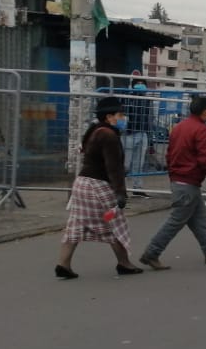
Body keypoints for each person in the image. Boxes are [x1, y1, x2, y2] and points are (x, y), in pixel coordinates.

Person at [139, 95, 206, 269]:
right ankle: (151, 253)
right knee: (175, 221)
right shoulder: (202, 130)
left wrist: (174, 174)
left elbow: (169, 153)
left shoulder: (179, 127)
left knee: (200, 220)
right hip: (188, 181)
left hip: (180, 179)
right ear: (205, 112)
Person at [55, 95, 144, 278]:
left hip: (82, 184)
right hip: (98, 185)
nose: (123, 118)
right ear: (109, 116)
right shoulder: (108, 135)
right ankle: (124, 263)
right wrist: (121, 193)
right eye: (120, 115)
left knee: (76, 224)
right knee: (115, 223)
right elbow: (114, 167)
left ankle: (63, 264)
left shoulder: (95, 130)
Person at [122, 74, 153, 196]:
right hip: (129, 134)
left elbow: (149, 119)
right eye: (138, 83)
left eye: (142, 83)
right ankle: (121, 188)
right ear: (133, 86)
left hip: (142, 133)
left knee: (139, 164)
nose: (140, 85)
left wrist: (150, 139)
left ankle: (137, 188)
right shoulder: (127, 98)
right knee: (125, 164)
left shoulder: (147, 100)